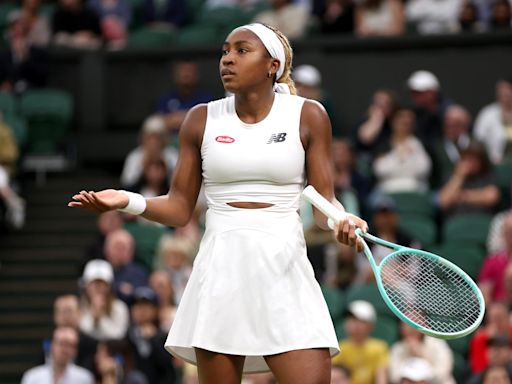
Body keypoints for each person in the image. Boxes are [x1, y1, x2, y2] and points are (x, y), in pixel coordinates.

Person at [69, 22, 368, 384]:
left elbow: (324, 205)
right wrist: (126, 201)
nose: (228, 59)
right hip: (220, 272)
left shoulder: (309, 115)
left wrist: (341, 220)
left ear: (273, 64)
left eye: (242, 50)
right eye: (225, 50)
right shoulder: (200, 119)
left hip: (285, 270)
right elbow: (180, 208)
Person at [372, 107, 432, 194]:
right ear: (393, 122)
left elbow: (423, 169)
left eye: (408, 122)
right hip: (386, 190)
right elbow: (380, 170)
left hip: (415, 189)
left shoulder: (419, 144)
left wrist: (398, 165)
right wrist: (399, 156)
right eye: (401, 120)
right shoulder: (383, 144)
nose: (405, 122)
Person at [332, 300, 389, 384]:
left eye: (359, 320)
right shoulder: (340, 347)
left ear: (370, 325)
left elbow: (382, 378)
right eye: (350, 319)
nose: (353, 323)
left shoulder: (379, 348)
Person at [120, 114, 178, 189]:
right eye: (150, 137)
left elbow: (179, 185)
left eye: (157, 137)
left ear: (164, 138)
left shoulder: (172, 155)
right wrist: (142, 168)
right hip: (141, 196)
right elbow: (126, 183)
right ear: (143, 137)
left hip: (165, 196)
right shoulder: (134, 156)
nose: (153, 142)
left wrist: (165, 169)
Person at [21, 326, 95, 384]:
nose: (65, 350)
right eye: (61, 344)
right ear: (52, 345)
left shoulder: (85, 378)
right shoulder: (32, 377)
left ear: (75, 351)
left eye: (70, 345)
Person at [79, 259, 130, 341]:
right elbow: (81, 332)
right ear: (86, 286)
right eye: (94, 284)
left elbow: (119, 335)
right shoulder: (78, 306)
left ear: (109, 287)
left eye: (103, 284)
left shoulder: (120, 307)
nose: (98, 288)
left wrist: (100, 318)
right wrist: (94, 316)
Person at [389, 321, 455, 384]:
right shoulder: (397, 348)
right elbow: (395, 377)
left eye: (415, 322)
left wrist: (420, 354)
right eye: (405, 323)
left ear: (424, 325)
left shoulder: (437, 344)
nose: (410, 326)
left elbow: (442, 374)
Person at [473, 78, 512, 165]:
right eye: (501, 91)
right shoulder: (487, 114)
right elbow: (478, 141)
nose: (505, 93)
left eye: (509, 89)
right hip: (494, 166)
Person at [478, 212, 512, 303]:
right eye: (509, 231)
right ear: (503, 234)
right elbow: (484, 292)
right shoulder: (493, 261)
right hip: (499, 309)